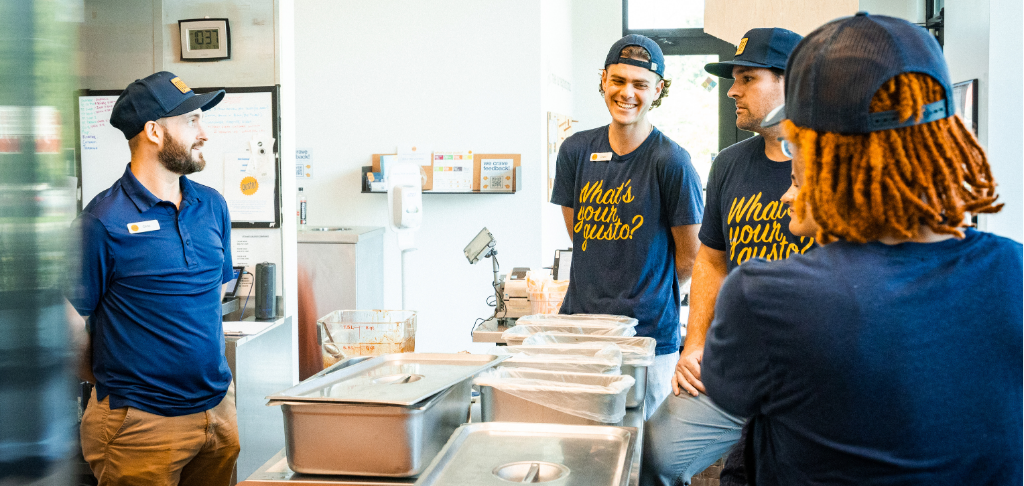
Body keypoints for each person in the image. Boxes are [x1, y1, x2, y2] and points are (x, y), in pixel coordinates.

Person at [703, 13, 1022, 485]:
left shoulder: (767, 296)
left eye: (796, 144)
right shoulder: (1013, 271)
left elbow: (734, 398)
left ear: (826, 152)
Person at [641, 27, 806, 486]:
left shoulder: (829, 165)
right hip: (732, 367)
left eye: (747, 78)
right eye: (733, 78)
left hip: (808, 375)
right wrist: (694, 346)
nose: (732, 89)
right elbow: (712, 260)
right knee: (654, 456)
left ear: (789, 82)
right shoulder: (730, 163)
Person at [68, 71, 240, 485]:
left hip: (216, 412)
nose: (204, 133)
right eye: (192, 120)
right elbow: (68, 320)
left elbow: (212, 295)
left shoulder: (211, 205)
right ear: (154, 132)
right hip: (139, 425)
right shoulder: (102, 221)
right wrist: (111, 382)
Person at [550, 34, 704, 415]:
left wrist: (651, 295)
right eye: (618, 81)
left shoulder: (672, 161)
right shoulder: (575, 151)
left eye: (640, 84)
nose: (627, 93)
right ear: (603, 79)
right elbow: (580, 235)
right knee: (583, 441)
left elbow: (691, 256)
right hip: (582, 330)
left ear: (658, 90)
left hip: (648, 337)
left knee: (646, 449)